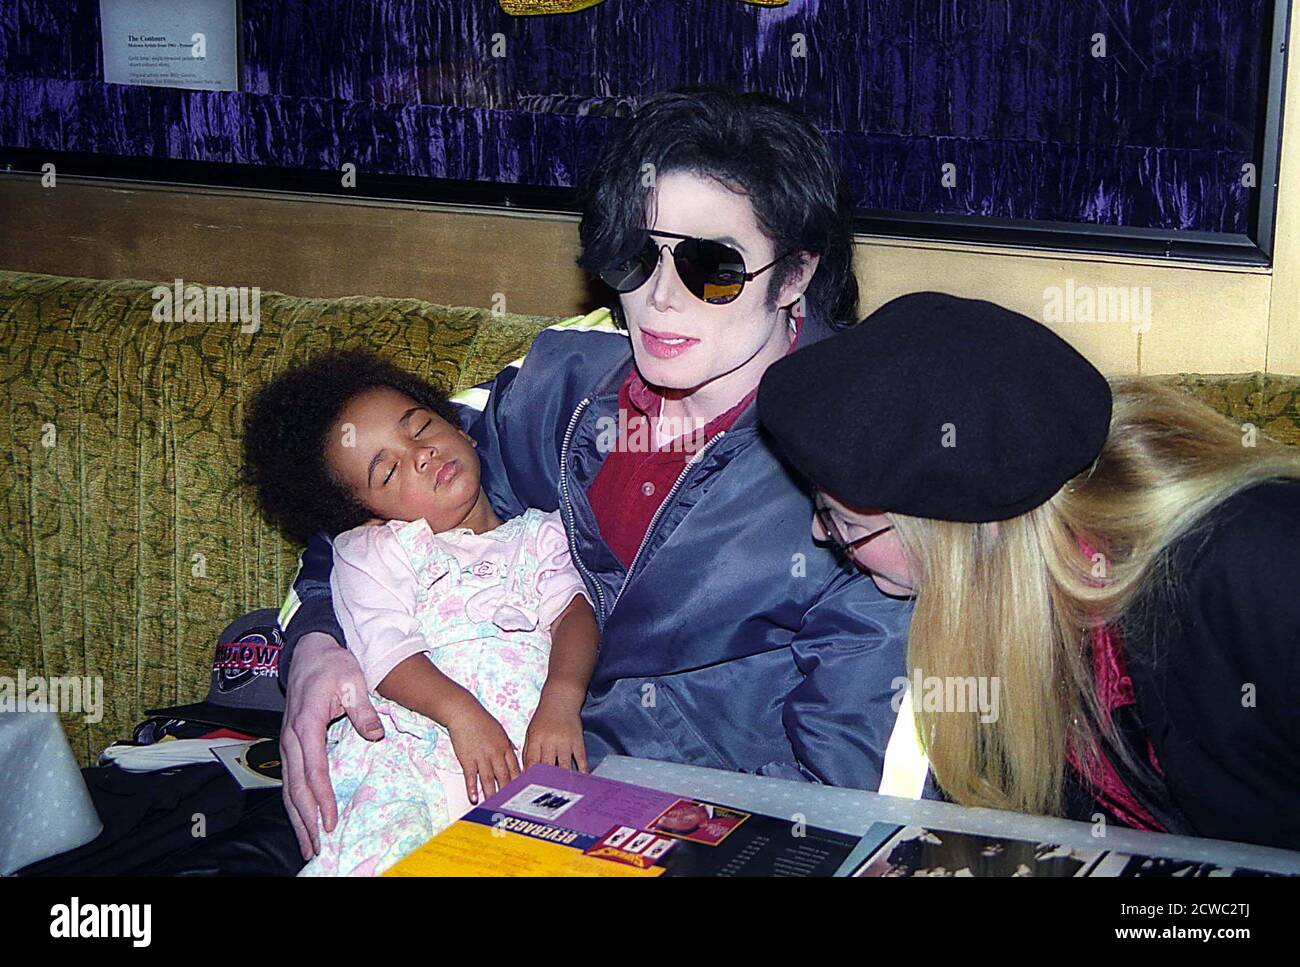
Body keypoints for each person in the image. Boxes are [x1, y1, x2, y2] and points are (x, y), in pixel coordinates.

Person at [274, 85, 916, 859]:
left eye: (713, 266)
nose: (658, 298)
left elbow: (851, 788)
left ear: (796, 274)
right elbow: (359, 509)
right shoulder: (561, 383)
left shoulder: (863, 474)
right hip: (474, 790)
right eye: (637, 255)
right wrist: (313, 645)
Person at [758, 290, 1300, 850]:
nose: (822, 535)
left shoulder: (1255, 562)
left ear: (970, 530)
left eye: (840, 520)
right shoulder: (1011, 603)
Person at [243, 350, 599, 875]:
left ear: (464, 430)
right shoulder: (375, 553)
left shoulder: (541, 534)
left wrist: (562, 699)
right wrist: (462, 715)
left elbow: (575, 617)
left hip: (526, 753)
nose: (421, 455)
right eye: (387, 469)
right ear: (368, 516)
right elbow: (387, 654)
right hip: (408, 754)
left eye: (421, 427)